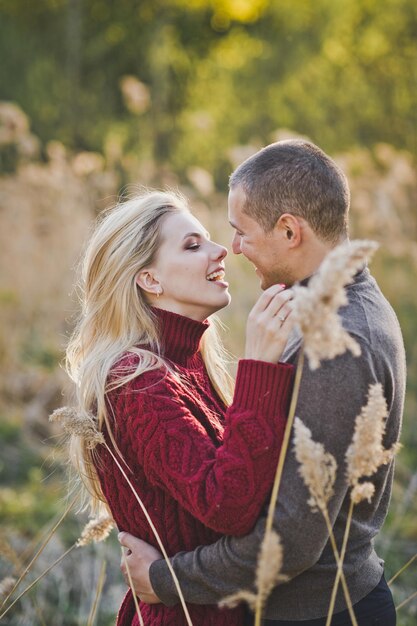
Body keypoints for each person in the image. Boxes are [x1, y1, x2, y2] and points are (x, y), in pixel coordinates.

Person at [118, 141, 406, 626]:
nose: (231, 249)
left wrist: (167, 580)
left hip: (321, 613)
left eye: (240, 232)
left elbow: (288, 542)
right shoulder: (331, 304)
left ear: (290, 230)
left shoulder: (335, 342)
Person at [64, 190, 297, 626]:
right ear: (149, 280)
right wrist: (260, 370)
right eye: (193, 246)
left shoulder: (188, 362)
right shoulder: (137, 383)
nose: (221, 250)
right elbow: (228, 506)